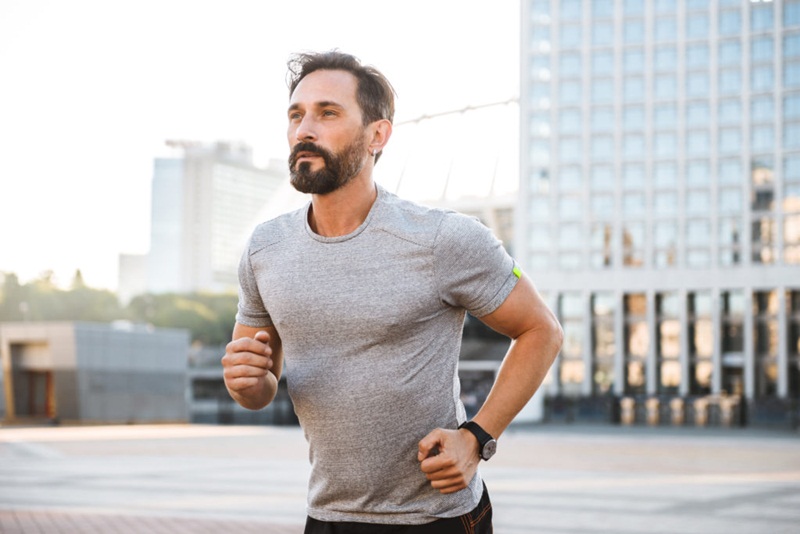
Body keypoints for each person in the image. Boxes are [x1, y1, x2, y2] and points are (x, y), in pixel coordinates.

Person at [221, 50, 563, 533]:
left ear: (377, 135)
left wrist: (478, 437)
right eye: (296, 115)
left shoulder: (443, 239)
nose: (304, 130)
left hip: (438, 518)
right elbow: (259, 388)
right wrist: (246, 383)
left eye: (328, 113)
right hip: (327, 517)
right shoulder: (265, 248)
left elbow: (541, 330)